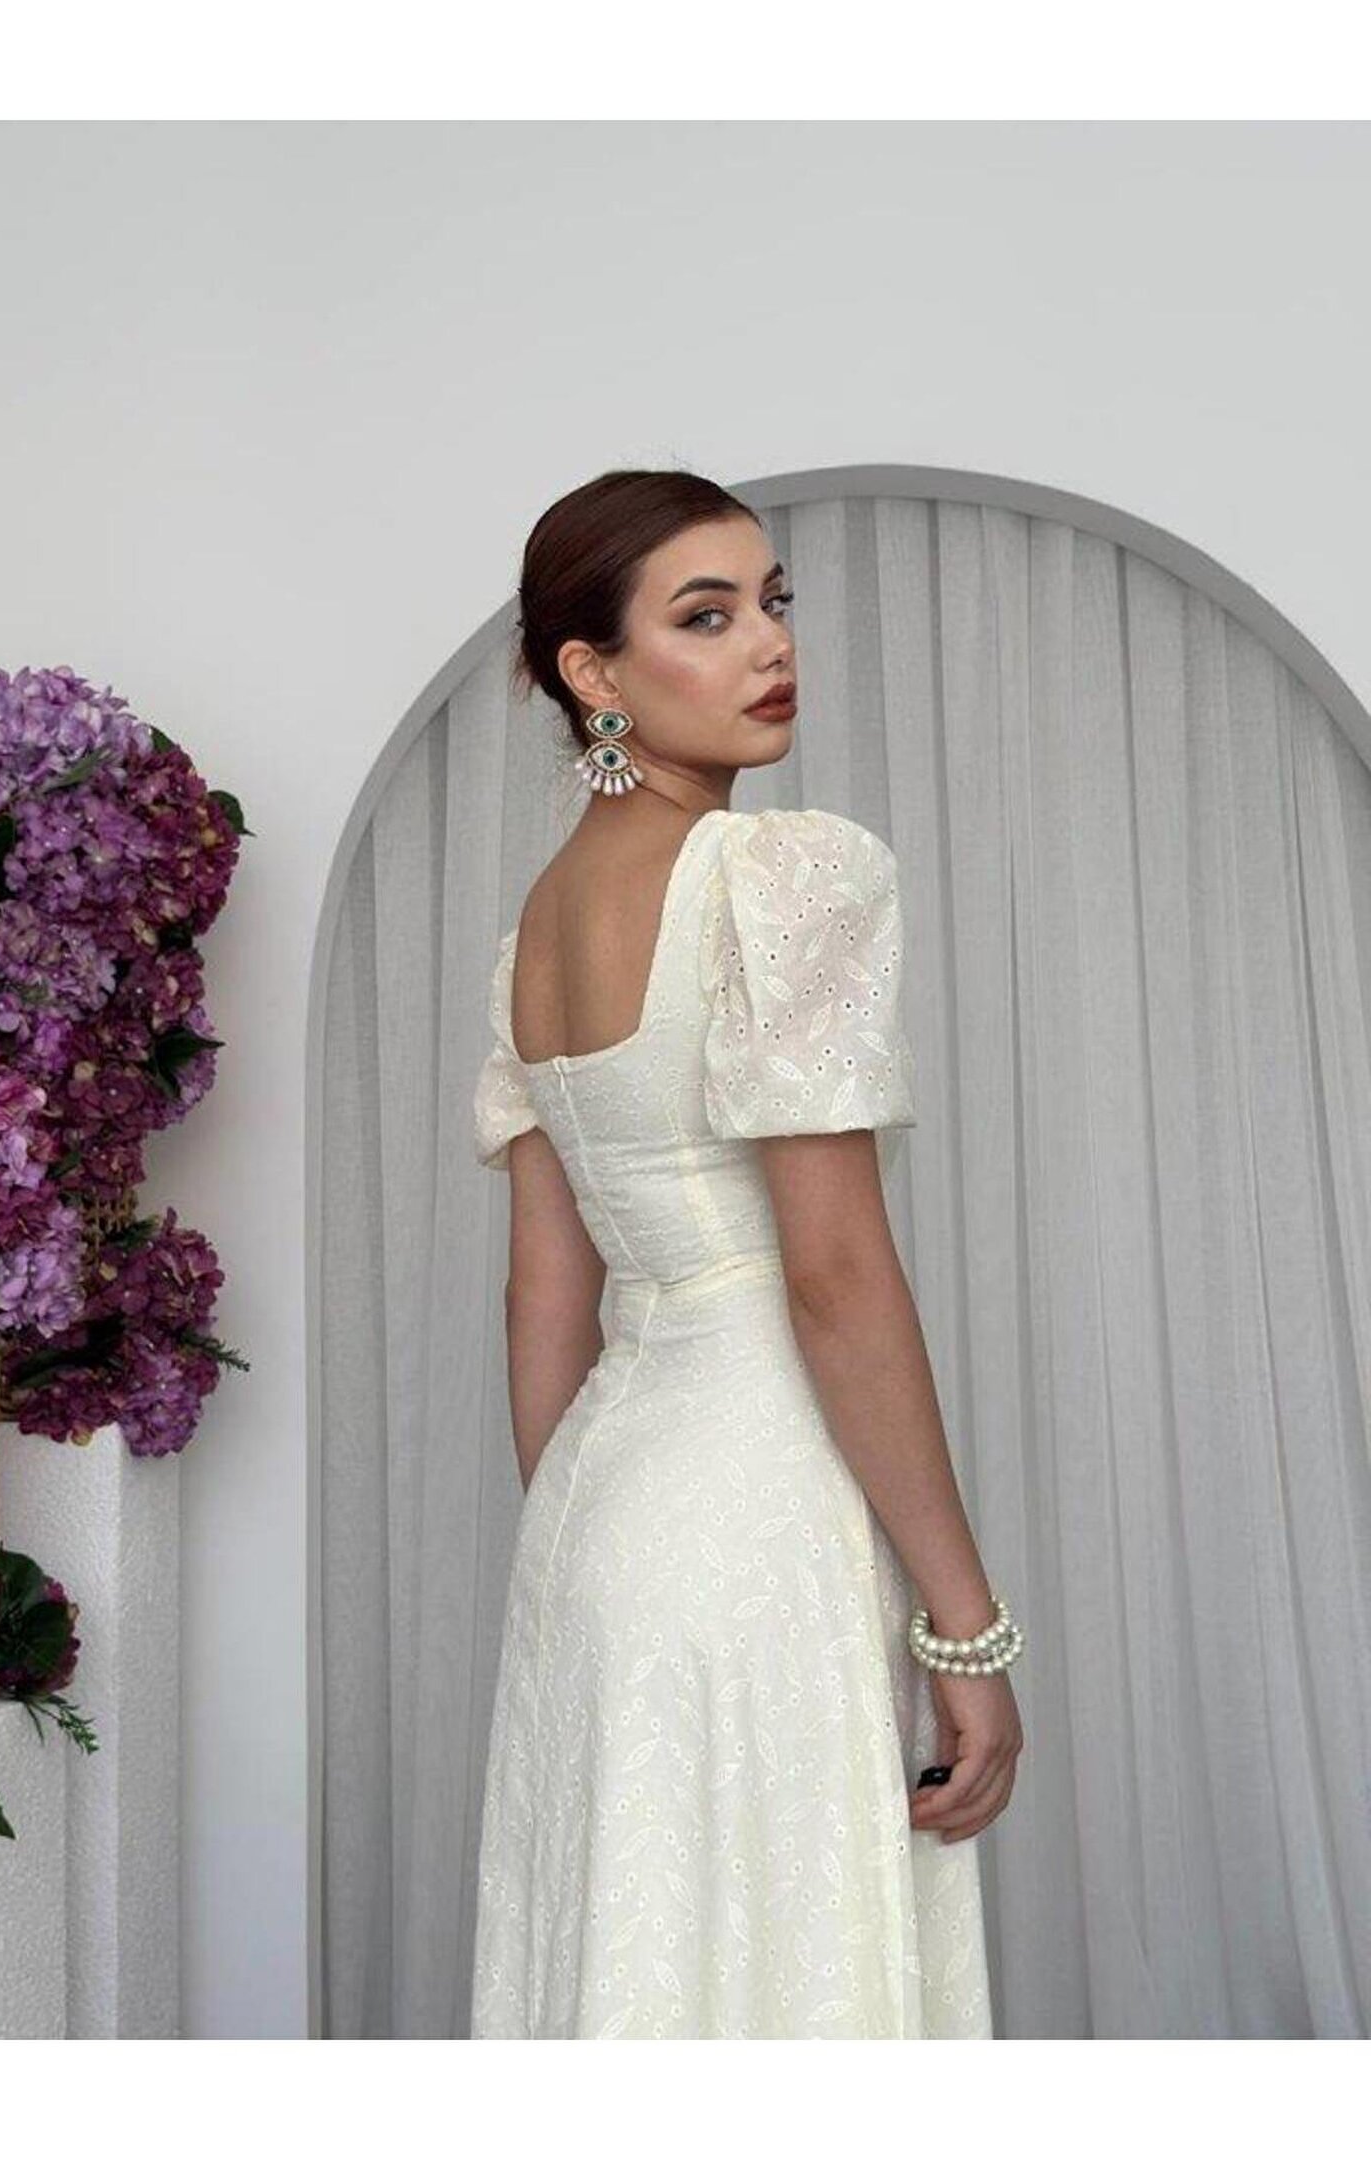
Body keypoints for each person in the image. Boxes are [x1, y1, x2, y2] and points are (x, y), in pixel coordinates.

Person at [469, 469, 1023, 2040]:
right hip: (764, 1496)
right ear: (594, 672)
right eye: (705, 617)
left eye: (773, 602)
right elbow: (834, 1276)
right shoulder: (781, 876)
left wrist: (590, 1546)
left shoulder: (531, 937)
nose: (771, 644)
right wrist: (965, 1627)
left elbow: (544, 1296)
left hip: (601, 1521)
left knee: (648, 1969)